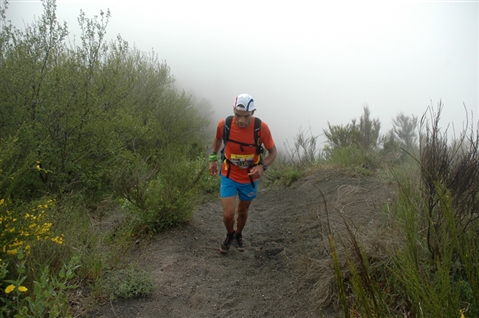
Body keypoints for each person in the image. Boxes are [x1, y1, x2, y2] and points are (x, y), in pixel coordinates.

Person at [208, 93, 277, 253]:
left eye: (246, 116)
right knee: (228, 215)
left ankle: (239, 234)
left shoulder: (261, 128)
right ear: (233, 110)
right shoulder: (224, 124)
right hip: (229, 174)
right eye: (238, 115)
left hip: (249, 179)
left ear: (253, 113)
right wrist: (212, 158)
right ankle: (230, 234)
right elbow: (218, 138)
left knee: (243, 211)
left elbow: (272, 152)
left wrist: (262, 167)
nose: (241, 120)